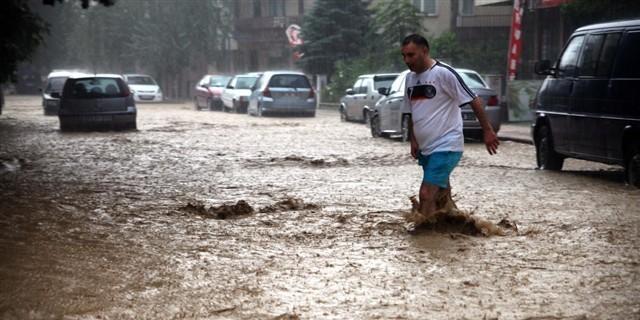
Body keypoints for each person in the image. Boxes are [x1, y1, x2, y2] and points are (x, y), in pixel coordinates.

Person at [400, 34, 499, 226]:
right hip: (426, 148)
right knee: (442, 197)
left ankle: (426, 243)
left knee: (426, 193)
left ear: (424, 51)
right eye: (403, 56)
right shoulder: (410, 79)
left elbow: (474, 99)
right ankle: (461, 227)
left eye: (411, 55)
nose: (407, 61)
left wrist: (487, 130)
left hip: (447, 145)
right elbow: (412, 111)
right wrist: (413, 139)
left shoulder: (443, 73)